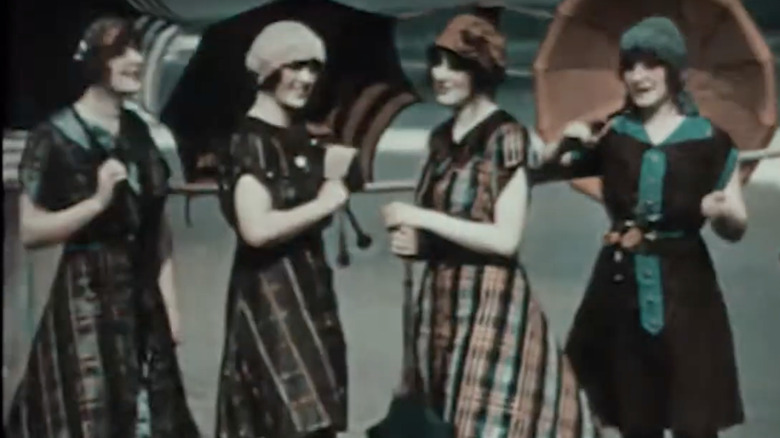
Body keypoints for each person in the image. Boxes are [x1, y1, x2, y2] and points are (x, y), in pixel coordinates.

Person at [381, 14, 599, 438]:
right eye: (437, 63)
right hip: (441, 305)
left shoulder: (506, 137)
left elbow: (504, 239)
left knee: (483, 426)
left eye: (455, 65)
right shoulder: (439, 140)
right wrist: (418, 244)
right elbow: (444, 229)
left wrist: (420, 217)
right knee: (442, 422)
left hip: (491, 306)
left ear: (480, 72)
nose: (440, 75)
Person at [533, 16, 747, 438]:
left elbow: (736, 227)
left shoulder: (710, 139)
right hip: (619, 288)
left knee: (694, 418)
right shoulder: (612, 133)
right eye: (630, 66)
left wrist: (721, 211)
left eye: (651, 64)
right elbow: (537, 174)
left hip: (688, 292)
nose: (639, 76)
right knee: (635, 417)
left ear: (674, 70)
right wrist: (564, 143)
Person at [4, 16, 200, 437]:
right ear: (96, 64)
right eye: (121, 52)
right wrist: (95, 203)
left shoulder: (138, 134)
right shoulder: (55, 137)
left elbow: (157, 227)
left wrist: (171, 303)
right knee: (90, 416)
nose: (136, 60)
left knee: (155, 414)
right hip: (86, 301)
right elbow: (31, 231)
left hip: (142, 302)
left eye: (137, 50)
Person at [213, 20, 363, 438]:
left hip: (309, 287)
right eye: (296, 66)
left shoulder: (298, 136)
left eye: (314, 68)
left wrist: (332, 170)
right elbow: (255, 229)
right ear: (269, 71)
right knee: (290, 416)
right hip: (269, 295)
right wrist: (322, 203)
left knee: (319, 416)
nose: (307, 79)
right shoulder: (251, 141)